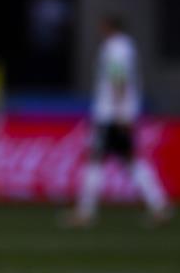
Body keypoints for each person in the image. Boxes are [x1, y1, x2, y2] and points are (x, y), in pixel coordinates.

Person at [68, 15, 171, 227]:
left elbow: (119, 78)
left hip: (110, 114)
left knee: (97, 158)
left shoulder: (116, 48)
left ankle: (86, 212)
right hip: (117, 113)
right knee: (129, 159)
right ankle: (159, 205)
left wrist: (120, 111)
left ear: (108, 27)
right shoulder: (125, 47)